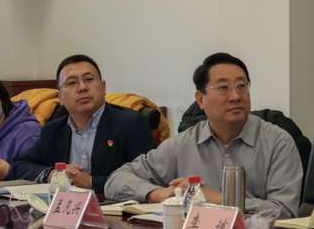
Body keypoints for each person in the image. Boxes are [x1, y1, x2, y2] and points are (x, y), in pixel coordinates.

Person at [105, 53, 303, 218]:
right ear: (200, 100)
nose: (235, 96)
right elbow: (116, 180)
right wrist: (159, 194)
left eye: (242, 86)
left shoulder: (278, 142)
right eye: (223, 88)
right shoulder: (182, 144)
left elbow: (286, 211)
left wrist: (217, 200)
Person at [12, 55, 157, 192]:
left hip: (114, 206)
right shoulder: (53, 130)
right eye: (72, 82)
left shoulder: (131, 123)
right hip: (65, 206)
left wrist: (92, 182)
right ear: (60, 97)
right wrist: (52, 175)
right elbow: (20, 166)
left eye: (89, 79)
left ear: (103, 87)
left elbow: (148, 177)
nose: (82, 87)